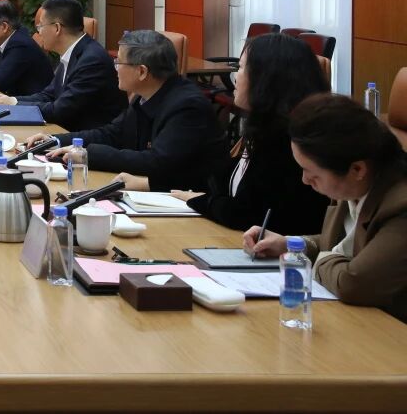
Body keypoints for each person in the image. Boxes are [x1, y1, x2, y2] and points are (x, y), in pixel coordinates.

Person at [244, 94, 407, 322]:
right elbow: (347, 244)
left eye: (312, 173)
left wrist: (319, 260)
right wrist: (291, 245)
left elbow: (354, 283)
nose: (304, 180)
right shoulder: (353, 184)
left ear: (357, 169)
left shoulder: (400, 208)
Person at [29, 30, 226, 191]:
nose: (114, 68)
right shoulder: (145, 95)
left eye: (119, 62)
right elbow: (112, 133)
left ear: (142, 71)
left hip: (191, 202)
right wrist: (56, 141)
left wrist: (88, 155)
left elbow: (157, 162)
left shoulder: (187, 106)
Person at [174, 34, 330, 234]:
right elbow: (226, 182)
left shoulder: (290, 140)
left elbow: (248, 214)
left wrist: (200, 201)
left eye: (240, 68)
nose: (235, 77)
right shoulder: (263, 127)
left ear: (266, 78)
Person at [0, 0, 125, 133]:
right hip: (65, 130)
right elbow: (48, 95)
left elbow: (60, 110)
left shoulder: (92, 61)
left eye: (40, 26)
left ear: (57, 28)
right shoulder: (72, 52)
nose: (38, 33)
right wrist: (11, 100)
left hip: (84, 140)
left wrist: (13, 105)